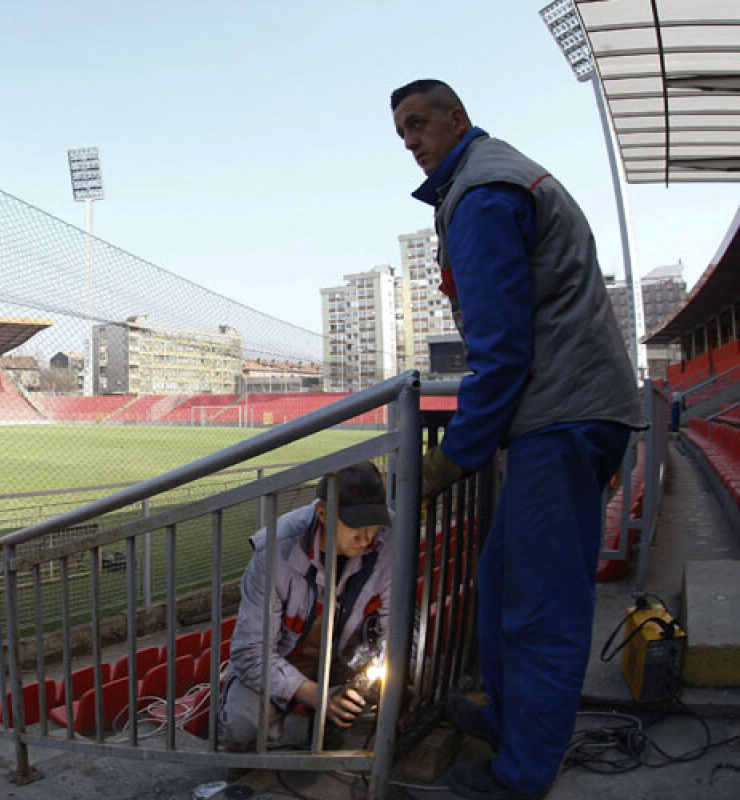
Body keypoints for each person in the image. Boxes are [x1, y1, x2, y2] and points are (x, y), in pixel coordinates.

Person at [389, 79, 643, 799]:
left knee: (538, 606)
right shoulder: (488, 177)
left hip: (559, 418)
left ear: (456, 118)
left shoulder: (481, 194)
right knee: (503, 578)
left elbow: (501, 350)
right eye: (400, 130)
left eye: (418, 122)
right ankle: (510, 717)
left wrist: (456, 455)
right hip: (573, 412)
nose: (410, 138)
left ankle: (523, 772)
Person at [218, 461, 393, 752]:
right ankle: (241, 775)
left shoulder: (389, 541)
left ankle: (326, 744)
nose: (366, 537)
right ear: (322, 513)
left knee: (393, 702)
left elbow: (396, 626)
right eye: (354, 525)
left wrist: (380, 676)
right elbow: (251, 652)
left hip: (344, 660)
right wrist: (316, 695)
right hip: (283, 659)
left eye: (372, 523)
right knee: (241, 729)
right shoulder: (273, 554)